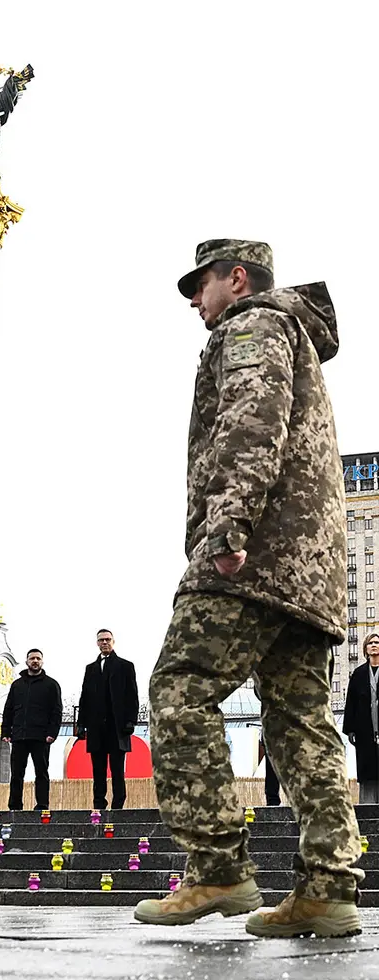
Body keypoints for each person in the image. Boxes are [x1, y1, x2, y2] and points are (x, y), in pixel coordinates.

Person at [136, 240, 363, 938]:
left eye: (199, 284)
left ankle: (216, 868)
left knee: (180, 689)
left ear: (237, 278)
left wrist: (227, 525)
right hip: (310, 574)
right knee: (300, 725)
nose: (193, 301)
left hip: (255, 557)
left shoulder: (254, 325)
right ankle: (327, 890)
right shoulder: (292, 334)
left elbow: (249, 425)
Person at [76, 630, 139, 810]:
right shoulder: (91, 668)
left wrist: (130, 721)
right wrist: (81, 724)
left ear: (113, 641)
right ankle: (99, 804)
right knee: (98, 770)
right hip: (96, 728)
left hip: (117, 727)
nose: (105, 642)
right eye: (101, 640)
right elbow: (84, 698)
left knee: (118, 770)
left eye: (108, 639)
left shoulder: (126, 666)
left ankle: (118, 805)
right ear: (97, 643)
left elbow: (132, 696)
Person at [1, 649, 62, 811]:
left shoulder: (51, 684)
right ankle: (14, 806)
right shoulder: (17, 685)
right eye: (32, 658)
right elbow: (9, 709)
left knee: (41, 773)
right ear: (27, 661)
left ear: (42, 661)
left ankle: (42, 805)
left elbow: (56, 711)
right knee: (16, 774)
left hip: (41, 737)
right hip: (19, 736)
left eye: (38, 658)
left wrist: (52, 733)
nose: (35, 661)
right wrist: (6, 731)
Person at [343, 633, 379, 803]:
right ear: (365, 648)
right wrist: (350, 729)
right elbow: (351, 702)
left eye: (377, 642)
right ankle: (368, 809)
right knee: (368, 771)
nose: (374, 645)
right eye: (370, 643)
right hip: (365, 730)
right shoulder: (358, 674)